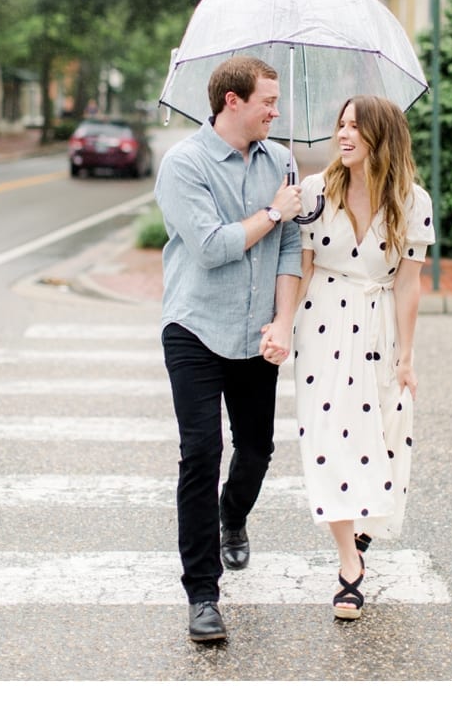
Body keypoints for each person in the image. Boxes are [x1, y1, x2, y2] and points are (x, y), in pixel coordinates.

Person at [154, 54, 303, 643]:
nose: (276, 110)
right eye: (268, 100)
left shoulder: (282, 161)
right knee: (200, 452)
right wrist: (272, 211)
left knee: (259, 448)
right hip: (194, 326)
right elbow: (214, 247)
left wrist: (283, 322)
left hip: (254, 332)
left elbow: (290, 251)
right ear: (232, 102)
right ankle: (202, 594)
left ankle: (232, 515)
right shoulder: (184, 164)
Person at [268, 95, 433, 620]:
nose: (343, 135)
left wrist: (407, 357)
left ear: (380, 137)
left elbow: (409, 285)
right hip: (323, 322)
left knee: (385, 433)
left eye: (355, 128)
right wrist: (284, 326)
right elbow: (304, 266)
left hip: (379, 319)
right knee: (329, 438)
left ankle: (361, 528)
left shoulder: (413, 201)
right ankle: (348, 568)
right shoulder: (316, 192)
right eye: (339, 124)